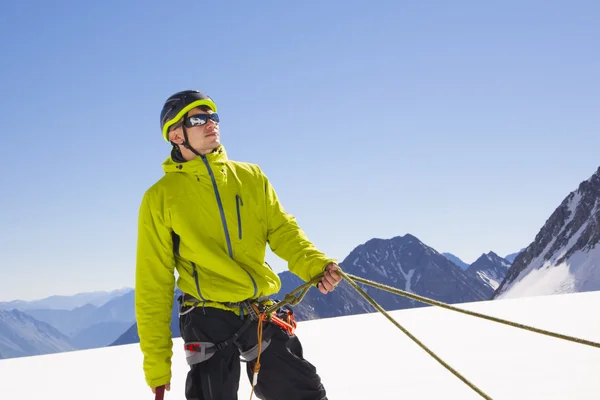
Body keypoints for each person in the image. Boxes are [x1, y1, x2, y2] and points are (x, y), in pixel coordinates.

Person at [135, 89, 342, 400]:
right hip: (205, 317)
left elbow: (284, 231)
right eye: (198, 118)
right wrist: (157, 366)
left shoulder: (250, 177)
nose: (211, 123)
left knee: (305, 392)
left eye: (213, 116)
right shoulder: (160, 198)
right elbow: (154, 284)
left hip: (256, 308)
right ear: (176, 135)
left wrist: (315, 265)